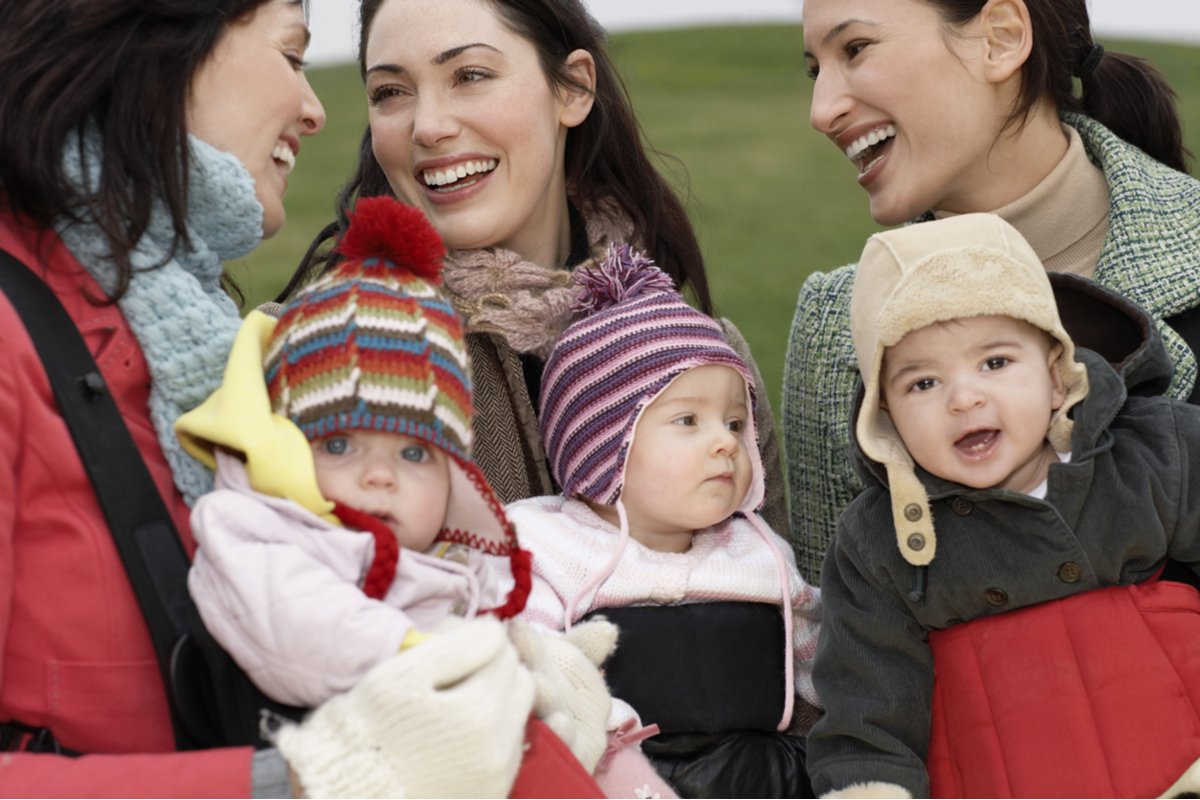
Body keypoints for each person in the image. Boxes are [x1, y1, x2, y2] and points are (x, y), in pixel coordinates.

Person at [0, 1, 572, 796]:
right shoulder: (17, 329)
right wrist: (298, 781)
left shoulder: (196, 340)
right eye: (292, 55)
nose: (315, 110)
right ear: (162, 45)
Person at [277, 0, 788, 535]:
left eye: (470, 75)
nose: (428, 126)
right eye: (390, 92)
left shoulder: (708, 363)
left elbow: (780, 598)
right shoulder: (312, 354)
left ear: (572, 88)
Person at [177, 196, 616, 791]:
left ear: (450, 475)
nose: (378, 476)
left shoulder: (452, 559)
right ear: (287, 447)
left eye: (412, 454)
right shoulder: (261, 533)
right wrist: (436, 652)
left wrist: (538, 659)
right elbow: (301, 628)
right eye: (339, 446)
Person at [786, 0, 1200, 582]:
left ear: (1001, 38)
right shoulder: (837, 327)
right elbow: (830, 643)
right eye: (815, 71)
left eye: (855, 49)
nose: (822, 110)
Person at [807, 213, 1200, 798]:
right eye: (923, 384)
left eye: (995, 363)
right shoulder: (879, 542)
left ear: (1058, 376)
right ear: (883, 418)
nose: (965, 398)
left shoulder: (1151, 452)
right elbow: (868, 712)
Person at [504, 245, 823, 798]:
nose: (726, 442)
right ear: (603, 443)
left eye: (733, 421)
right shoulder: (546, 546)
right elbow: (522, 660)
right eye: (687, 420)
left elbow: (822, 661)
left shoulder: (756, 552)